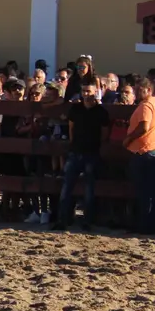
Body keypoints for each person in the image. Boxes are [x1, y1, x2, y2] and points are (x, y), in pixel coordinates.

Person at [55, 79, 109, 231]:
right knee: (67, 186)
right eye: (84, 91)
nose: (86, 94)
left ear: (95, 92)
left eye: (89, 91)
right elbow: (71, 128)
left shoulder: (101, 112)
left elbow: (105, 133)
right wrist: (74, 144)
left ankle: (87, 221)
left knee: (89, 189)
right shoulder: (76, 109)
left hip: (92, 152)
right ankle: (63, 219)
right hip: (75, 151)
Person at [124, 78, 155, 233]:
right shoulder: (153, 103)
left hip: (143, 151)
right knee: (150, 191)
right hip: (150, 150)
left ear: (148, 90)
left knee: (143, 191)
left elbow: (144, 127)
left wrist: (129, 138)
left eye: (138, 90)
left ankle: (144, 226)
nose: (135, 93)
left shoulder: (145, 106)